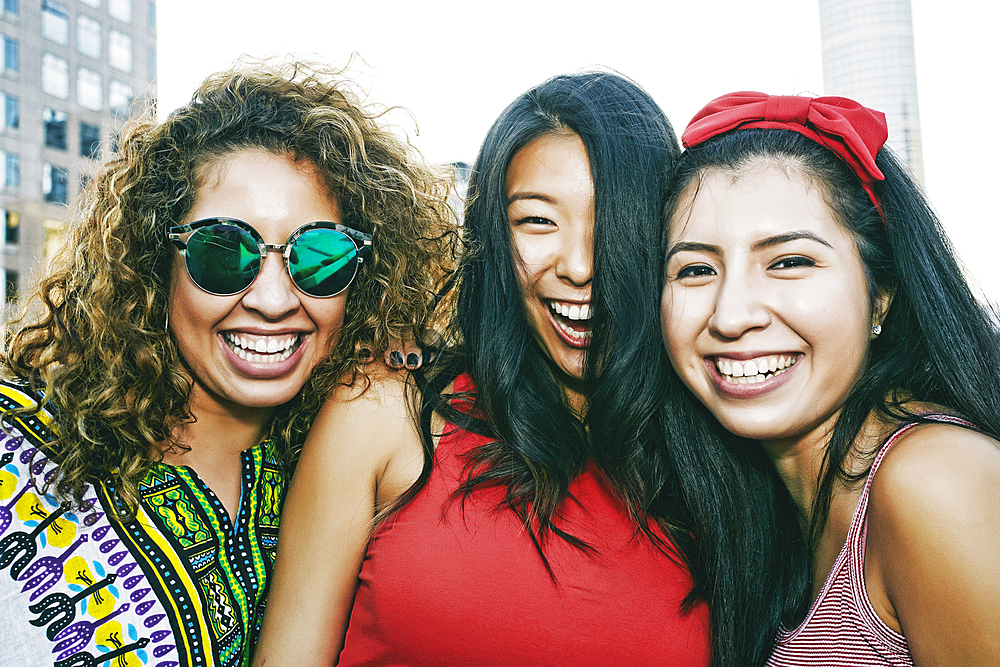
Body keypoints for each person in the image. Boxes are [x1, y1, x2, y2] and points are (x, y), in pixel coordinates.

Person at [257, 70, 794, 667]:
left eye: (611, 222)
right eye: (538, 221)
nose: (580, 266)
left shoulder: (726, 469)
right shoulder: (384, 413)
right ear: (493, 235)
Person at [0, 60, 453, 666]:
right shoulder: (14, 446)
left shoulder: (354, 465)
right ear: (150, 260)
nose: (272, 300)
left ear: (364, 282)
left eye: (320, 257)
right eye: (224, 252)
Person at [659, 91, 1000, 665]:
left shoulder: (934, 480)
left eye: (790, 262)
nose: (732, 314)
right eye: (695, 269)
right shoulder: (754, 514)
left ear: (882, 294)